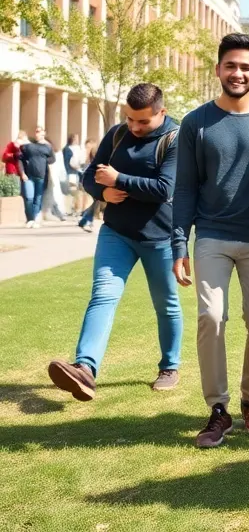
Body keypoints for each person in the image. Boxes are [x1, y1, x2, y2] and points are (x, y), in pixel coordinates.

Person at [172, 33, 249, 448]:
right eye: (231, 66)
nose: (238, 73)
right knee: (210, 316)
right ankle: (218, 409)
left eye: (246, 67)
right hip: (212, 235)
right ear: (218, 69)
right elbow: (185, 188)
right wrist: (179, 244)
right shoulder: (195, 122)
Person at [46, 83, 182, 400]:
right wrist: (103, 192)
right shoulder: (118, 133)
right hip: (116, 233)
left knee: (166, 304)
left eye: (142, 121)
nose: (134, 127)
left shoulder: (176, 139)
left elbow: (164, 189)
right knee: (103, 296)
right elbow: (90, 175)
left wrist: (119, 180)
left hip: (160, 238)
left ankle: (169, 366)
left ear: (161, 112)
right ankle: (85, 368)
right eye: (129, 118)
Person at [18, 127, 55, 228]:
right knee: (29, 198)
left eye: (39, 131)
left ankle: (34, 219)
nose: (37, 133)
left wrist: (44, 161)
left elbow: (52, 159)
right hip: (29, 176)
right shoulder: (28, 146)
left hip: (41, 176)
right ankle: (30, 219)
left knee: (38, 198)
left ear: (44, 133)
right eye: (36, 131)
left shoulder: (47, 147)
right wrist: (22, 173)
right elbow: (20, 159)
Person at [78, 139, 99, 232]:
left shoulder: (92, 159)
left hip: (93, 183)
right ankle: (87, 220)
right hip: (93, 183)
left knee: (96, 203)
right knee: (96, 203)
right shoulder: (92, 160)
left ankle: (85, 220)